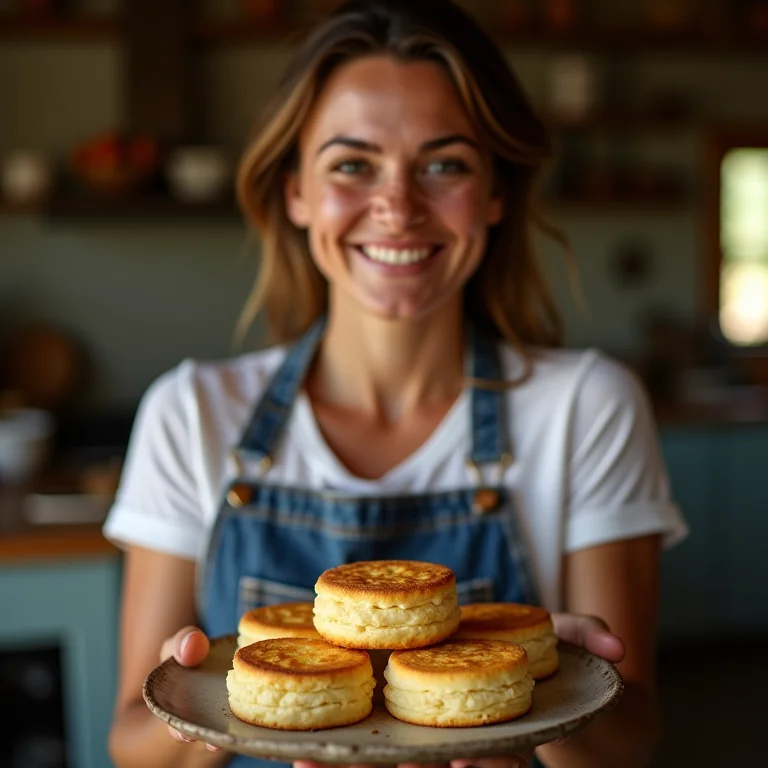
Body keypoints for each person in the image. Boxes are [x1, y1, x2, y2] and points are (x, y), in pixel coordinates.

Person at [103, 1, 687, 767]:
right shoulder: (191, 413)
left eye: (445, 164)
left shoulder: (588, 406)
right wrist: (213, 709)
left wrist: (557, 709)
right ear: (296, 193)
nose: (398, 206)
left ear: (495, 194)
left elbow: (630, 741)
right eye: (352, 164)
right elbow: (129, 746)